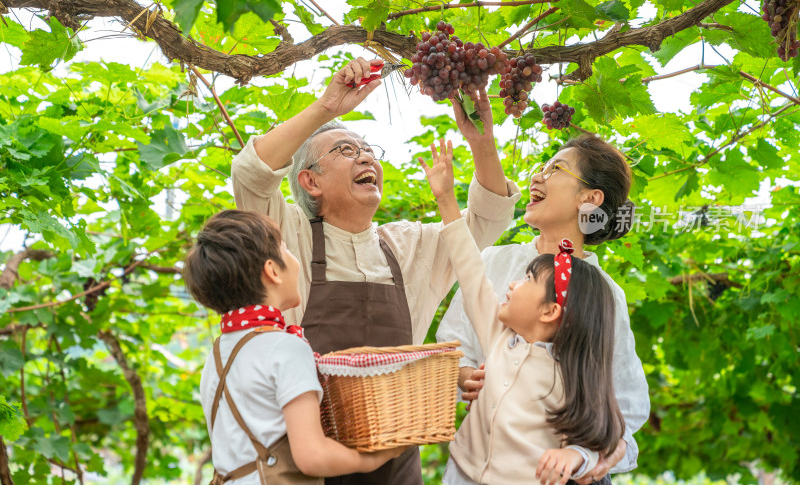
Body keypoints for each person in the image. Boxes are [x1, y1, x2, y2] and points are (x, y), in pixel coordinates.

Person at [230, 57, 521, 485]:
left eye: (368, 150)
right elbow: (251, 175)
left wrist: (483, 142)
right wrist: (327, 108)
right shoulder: (286, 233)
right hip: (307, 460)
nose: (365, 156)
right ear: (310, 181)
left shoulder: (408, 246)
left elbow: (487, 221)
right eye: (347, 150)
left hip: (396, 461)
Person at [436, 133, 650, 482]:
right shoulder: (494, 259)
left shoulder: (604, 295)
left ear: (590, 198)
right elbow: (452, 345)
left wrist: (584, 457)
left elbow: (626, 404)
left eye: (556, 169)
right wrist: (465, 376)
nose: (537, 176)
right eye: (541, 168)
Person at [185, 210, 405, 484]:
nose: (295, 259)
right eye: (286, 249)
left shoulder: (217, 354)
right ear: (273, 271)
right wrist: (372, 458)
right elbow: (312, 455)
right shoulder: (285, 348)